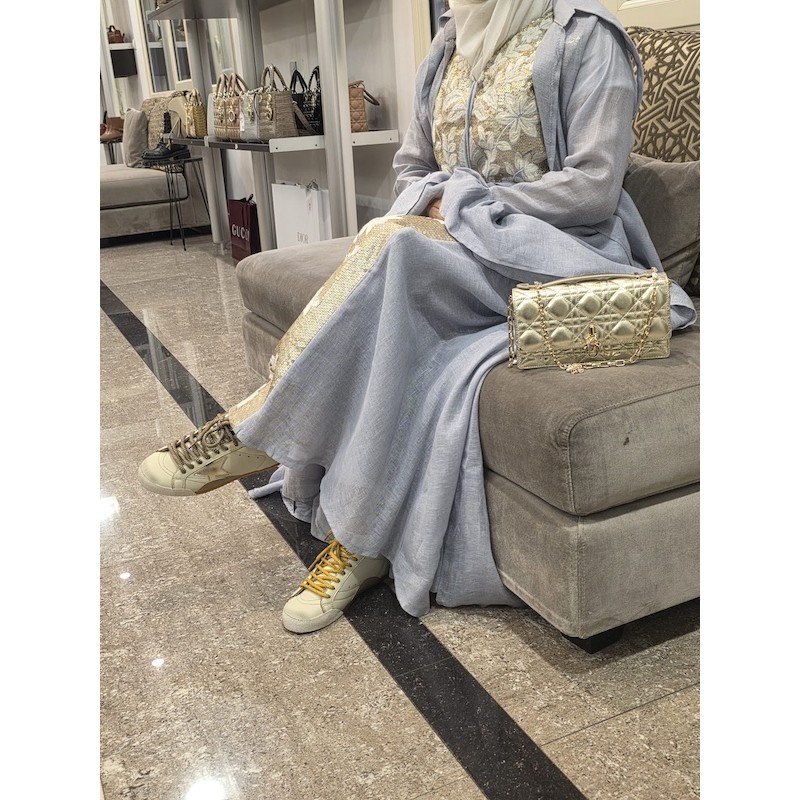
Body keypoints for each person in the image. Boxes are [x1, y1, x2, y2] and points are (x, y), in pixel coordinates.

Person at [138, 0, 697, 635]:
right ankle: (363, 541)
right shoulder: (452, 40)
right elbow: (412, 165)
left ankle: (258, 430)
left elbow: (593, 187)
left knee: (396, 247)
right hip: (456, 245)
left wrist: (465, 203)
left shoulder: (587, 37)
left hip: (556, 252)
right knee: (397, 315)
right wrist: (438, 201)